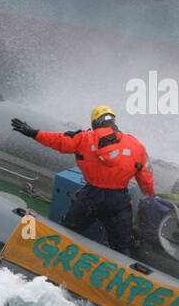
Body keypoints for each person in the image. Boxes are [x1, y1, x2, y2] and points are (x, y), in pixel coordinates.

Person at [11, 106, 154, 256]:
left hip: (91, 197)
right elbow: (146, 178)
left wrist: (33, 133)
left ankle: (53, 256)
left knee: (67, 230)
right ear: (113, 121)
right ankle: (124, 272)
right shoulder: (137, 146)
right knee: (123, 246)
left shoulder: (84, 138)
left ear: (95, 123)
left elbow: (58, 141)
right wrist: (149, 196)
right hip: (118, 200)